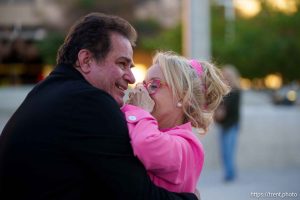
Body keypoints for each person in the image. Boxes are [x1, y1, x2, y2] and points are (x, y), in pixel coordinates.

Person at [0, 13, 199, 200]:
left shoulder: (49, 91)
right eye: (122, 64)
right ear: (86, 60)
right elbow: (137, 194)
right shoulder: (88, 102)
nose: (131, 78)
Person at [122, 51, 230, 195]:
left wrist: (140, 112)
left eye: (153, 85)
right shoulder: (146, 126)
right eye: (143, 84)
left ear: (183, 97)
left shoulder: (187, 145)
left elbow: (146, 145)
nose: (142, 91)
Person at [214, 65, 241, 182]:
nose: (226, 77)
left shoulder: (236, 91)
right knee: (224, 151)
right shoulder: (223, 91)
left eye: (228, 75)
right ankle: (229, 172)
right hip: (223, 125)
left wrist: (221, 111)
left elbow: (228, 108)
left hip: (232, 125)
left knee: (229, 150)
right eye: (224, 75)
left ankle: (230, 174)